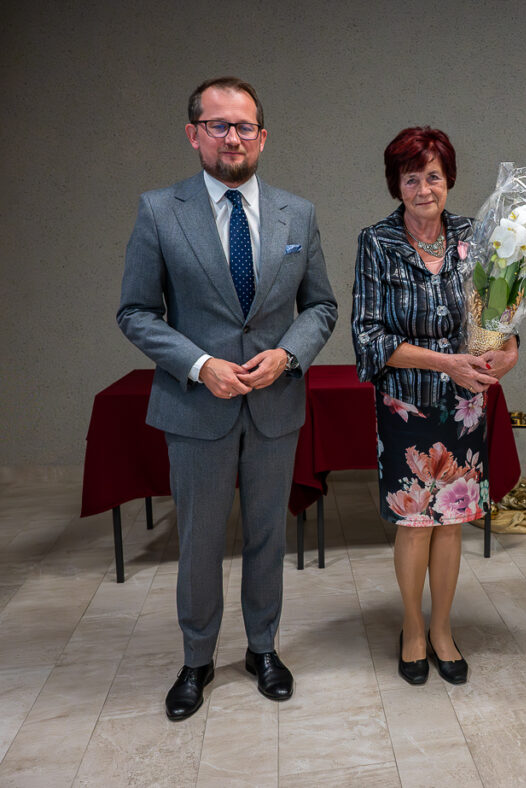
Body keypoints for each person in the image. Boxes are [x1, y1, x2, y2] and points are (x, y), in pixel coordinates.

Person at [117, 77, 337, 719]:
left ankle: (263, 649)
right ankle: (197, 659)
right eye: (218, 125)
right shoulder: (160, 210)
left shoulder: (298, 213)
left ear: (262, 136)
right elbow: (135, 312)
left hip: (274, 409)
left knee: (269, 536)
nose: (232, 137)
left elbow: (320, 306)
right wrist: (200, 364)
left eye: (244, 126)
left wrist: (288, 354)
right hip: (196, 408)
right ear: (194, 134)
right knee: (200, 542)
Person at [351, 127, 518, 685]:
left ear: (449, 180)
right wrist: (445, 363)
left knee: (452, 524)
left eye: (433, 177)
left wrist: (510, 347)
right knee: (417, 523)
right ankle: (413, 629)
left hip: (464, 406)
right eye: (411, 179)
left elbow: (500, 311)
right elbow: (369, 338)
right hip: (406, 406)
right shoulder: (378, 242)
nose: (424, 189)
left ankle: (442, 629)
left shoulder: (475, 236)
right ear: (396, 185)